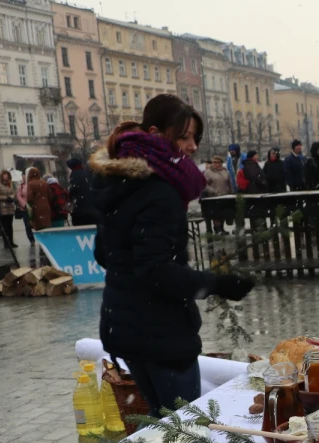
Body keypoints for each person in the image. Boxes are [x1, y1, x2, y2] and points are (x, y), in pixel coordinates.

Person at [92, 93, 254, 414]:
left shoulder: (119, 181)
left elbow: (102, 253)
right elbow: (156, 271)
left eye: (195, 137)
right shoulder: (160, 192)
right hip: (161, 334)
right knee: (186, 430)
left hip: (124, 327)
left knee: (160, 425)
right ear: (155, 134)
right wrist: (218, 283)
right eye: (184, 137)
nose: (193, 146)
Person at [24, 166, 53, 242]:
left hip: (36, 208)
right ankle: (47, 243)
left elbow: (29, 198)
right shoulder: (45, 183)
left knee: (39, 228)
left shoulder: (30, 184)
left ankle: (42, 246)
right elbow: (50, 196)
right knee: (46, 226)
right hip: (46, 207)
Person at [67, 157, 98, 225]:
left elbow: (74, 189)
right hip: (93, 207)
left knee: (81, 226)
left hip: (81, 208)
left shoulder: (75, 174)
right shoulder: (87, 172)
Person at [0, 170, 17, 246]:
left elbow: (13, 193)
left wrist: (11, 197)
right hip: (2, 208)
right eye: (4, 175)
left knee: (10, 226)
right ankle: (6, 242)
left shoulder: (10, 184)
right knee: (4, 226)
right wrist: (5, 198)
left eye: (7, 175)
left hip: (10, 208)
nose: (6, 176)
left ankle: (11, 241)